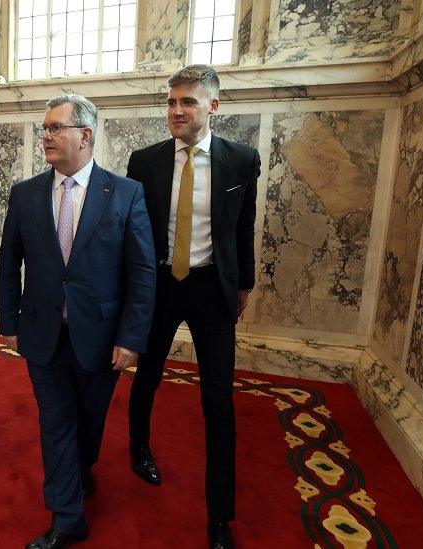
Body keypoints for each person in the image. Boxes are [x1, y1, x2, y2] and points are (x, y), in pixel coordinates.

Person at [0, 94, 155, 548]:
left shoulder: (125, 193)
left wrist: (131, 337)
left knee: (89, 420)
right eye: (44, 129)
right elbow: (9, 263)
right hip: (43, 333)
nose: (45, 136)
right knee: (55, 422)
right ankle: (67, 517)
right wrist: (9, 321)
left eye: (55, 128)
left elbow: (142, 271)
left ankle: (82, 471)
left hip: (103, 337)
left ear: (85, 135)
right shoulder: (25, 194)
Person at [125, 64, 260, 549]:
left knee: (218, 402)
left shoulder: (242, 160)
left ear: (213, 107)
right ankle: (138, 446)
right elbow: (135, 234)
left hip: (211, 292)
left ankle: (219, 516)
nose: (176, 110)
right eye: (171, 101)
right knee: (148, 375)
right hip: (159, 287)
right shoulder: (145, 161)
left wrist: (242, 284)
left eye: (188, 102)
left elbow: (242, 227)